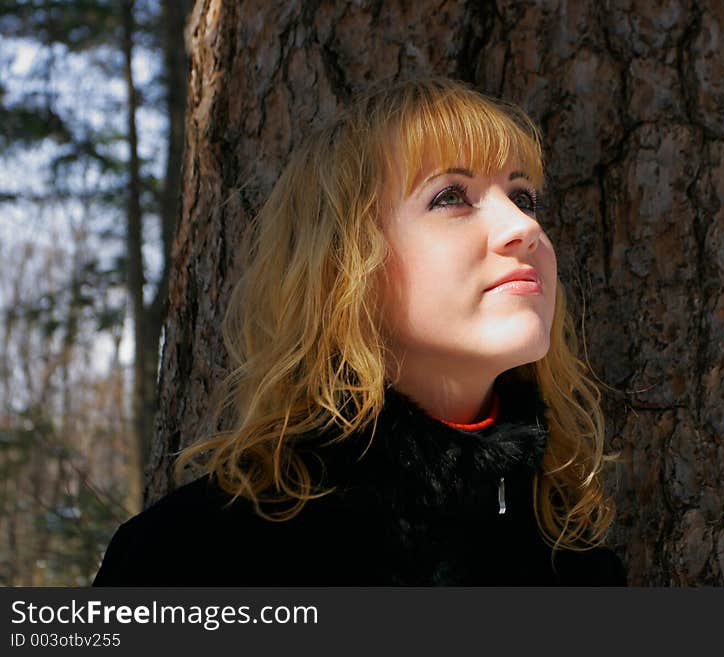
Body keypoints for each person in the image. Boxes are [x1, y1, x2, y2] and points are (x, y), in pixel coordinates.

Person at [93, 76, 627, 586]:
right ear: (345, 265)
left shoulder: (578, 564)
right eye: (451, 197)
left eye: (524, 197)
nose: (525, 227)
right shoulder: (193, 556)